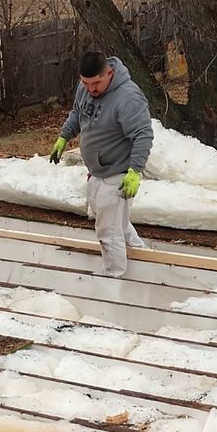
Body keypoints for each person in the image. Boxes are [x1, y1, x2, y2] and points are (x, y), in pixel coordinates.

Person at [50, 50, 153, 278]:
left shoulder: (128, 97)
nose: (91, 89)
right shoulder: (85, 88)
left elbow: (143, 135)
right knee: (116, 222)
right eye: (85, 83)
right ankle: (145, 261)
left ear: (109, 73)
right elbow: (78, 112)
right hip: (97, 172)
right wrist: (64, 137)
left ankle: (113, 276)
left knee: (108, 231)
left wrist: (135, 171)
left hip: (118, 173)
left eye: (96, 83)